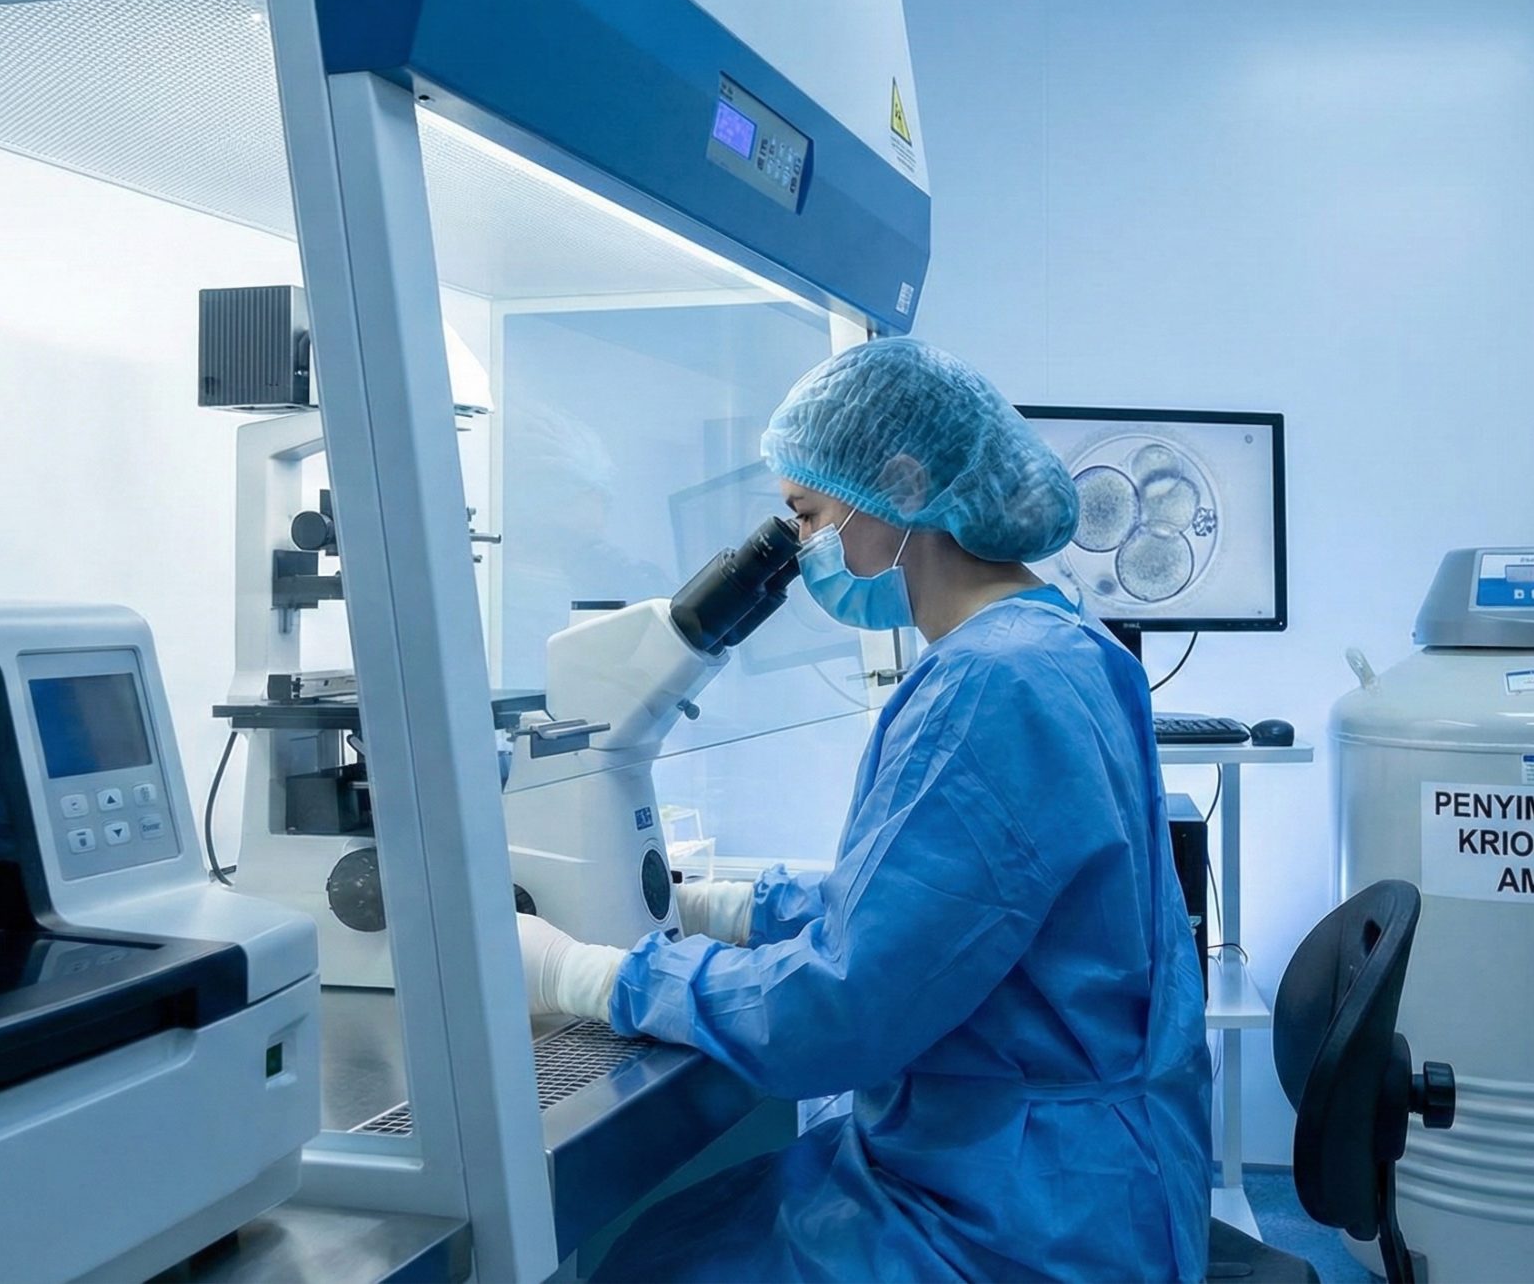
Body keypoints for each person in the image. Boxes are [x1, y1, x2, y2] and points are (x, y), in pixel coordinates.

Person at [515, 337, 1213, 1283]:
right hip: (1063, 1163)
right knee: (671, 1235)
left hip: (1020, 1217)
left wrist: (587, 975)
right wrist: (738, 908)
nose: (801, 548)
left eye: (806, 515)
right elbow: (945, 906)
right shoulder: (1056, 642)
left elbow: (834, 1016)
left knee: (642, 1262)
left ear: (903, 485)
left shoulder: (988, 685)